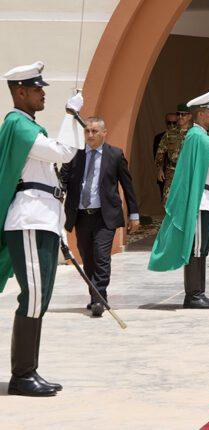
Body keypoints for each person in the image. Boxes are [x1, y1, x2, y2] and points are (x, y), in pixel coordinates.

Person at [0, 61, 85, 396]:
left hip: (42, 219)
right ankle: (22, 375)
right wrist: (71, 116)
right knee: (34, 295)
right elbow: (64, 153)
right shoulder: (18, 124)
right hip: (29, 219)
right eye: (37, 89)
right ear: (20, 92)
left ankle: (28, 371)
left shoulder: (30, 127)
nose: (42, 94)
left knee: (41, 296)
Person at [148, 90, 209, 309]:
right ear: (200, 113)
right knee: (196, 249)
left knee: (202, 249)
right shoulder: (197, 136)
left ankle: (199, 293)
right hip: (201, 201)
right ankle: (193, 295)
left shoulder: (199, 136)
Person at [60, 117, 140, 317]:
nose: (90, 135)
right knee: (88, 258)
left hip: (105, 216)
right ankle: (95, 295)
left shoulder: (115, 155)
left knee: (101, 256)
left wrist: (134, 214)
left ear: (104, 133)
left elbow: (128, 186)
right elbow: (63, 180)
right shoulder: (75, 155)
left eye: (94, 131)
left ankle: (98, 299)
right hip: (81, 216)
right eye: (87, 131)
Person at [155, 103, 191, 203]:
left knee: (186, 200)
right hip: (171, 172)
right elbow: (160, 151)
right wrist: (159, 169)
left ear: (189, 116)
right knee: (168, 201)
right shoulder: (169, 133)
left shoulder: (195, 133)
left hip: (188, 172)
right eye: (178, 114)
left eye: (183, 114)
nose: (180, 117)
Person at [154, 112, 177, 198]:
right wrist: (159, 169)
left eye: (174, 123)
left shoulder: (184, 137)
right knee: (166, 200)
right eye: (169, 123)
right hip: (165, 173)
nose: (172, 125)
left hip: (179, 173)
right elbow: (156, 155)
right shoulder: (160, 137)